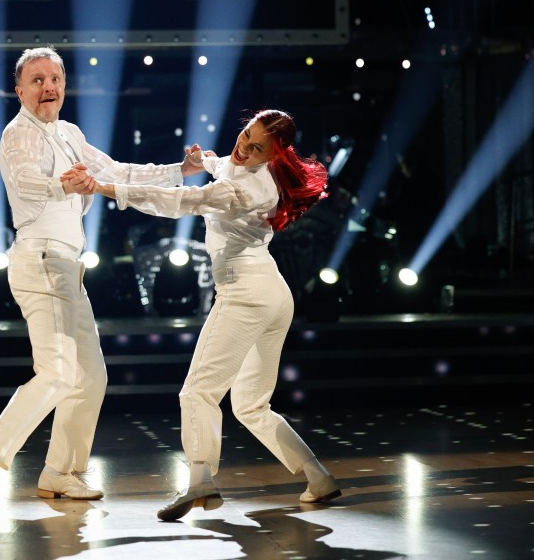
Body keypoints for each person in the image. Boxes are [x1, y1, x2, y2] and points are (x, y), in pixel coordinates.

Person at [0, 46, 197, 519]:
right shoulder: (17, 133)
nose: (48, 87)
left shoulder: (69, 133)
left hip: (68, 267)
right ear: (19, 90)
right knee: (60, 373)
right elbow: (24, 183)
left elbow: (118, 172)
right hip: (41, 260)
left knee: (90, 378)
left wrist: (178, 172)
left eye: (55, 79)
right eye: (38, 80)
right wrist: (63, 184)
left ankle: (60, 471)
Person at [69, 109, 341, 521]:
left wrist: (106, 188)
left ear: (274, 156)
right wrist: (205, 160)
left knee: (198, 391)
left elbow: (181, 201)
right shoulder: (241, 165)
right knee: (251, 406)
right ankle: (317, 478)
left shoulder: (249, 191)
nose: (245, 148)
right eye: (246, 136)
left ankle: (200, 482)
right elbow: (226, 164)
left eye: (256, 147)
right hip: (272, 294)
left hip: (246, 293)